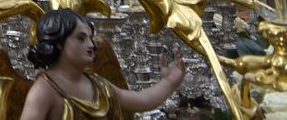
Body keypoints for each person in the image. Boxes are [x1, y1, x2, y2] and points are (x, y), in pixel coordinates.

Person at [20, 8, 185, 120]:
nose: (91, 45)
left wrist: (169, 82)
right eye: (81, 38)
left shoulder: (99, 85)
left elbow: (142, 100)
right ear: (59, 43)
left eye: (90, 38)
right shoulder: (44, 91)